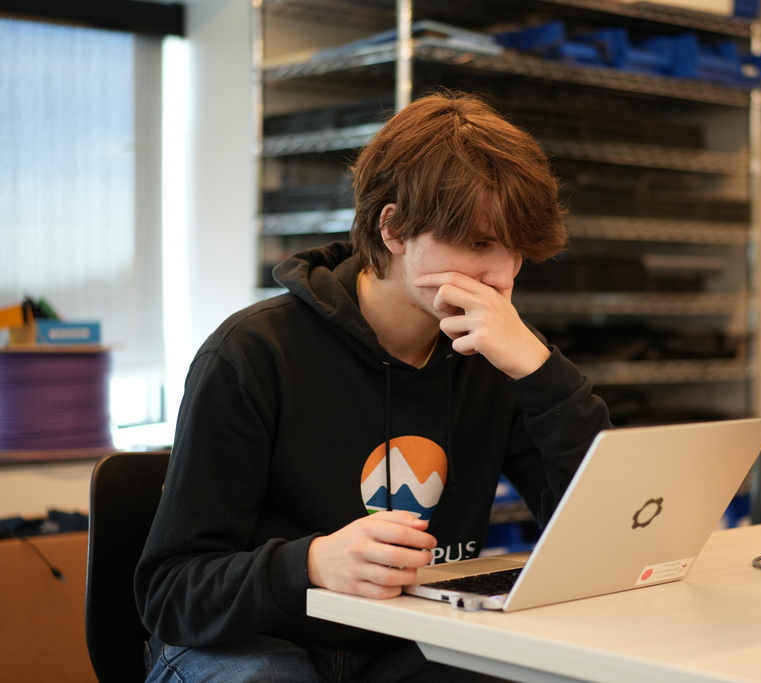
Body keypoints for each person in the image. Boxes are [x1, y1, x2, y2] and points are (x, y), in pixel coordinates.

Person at [135, 90, 611, 682]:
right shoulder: (253, 352)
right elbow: (170, 592)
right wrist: (309, 563)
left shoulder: (496, 352)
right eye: (479, 242)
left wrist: (541, 374)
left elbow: (604, 536)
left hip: (403, 641)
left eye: (516, 249)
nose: (504, 275)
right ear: (393, 228)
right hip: (248, 642)